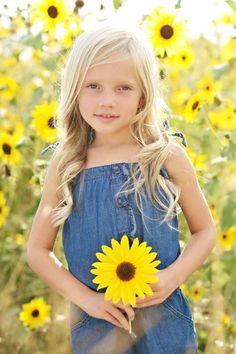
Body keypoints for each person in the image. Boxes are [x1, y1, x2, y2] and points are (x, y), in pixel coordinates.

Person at [27, 21, 217, 354]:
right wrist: (86, 300)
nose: (107, 101)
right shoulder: (67, 162)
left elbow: (205, 232)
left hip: (164, 318)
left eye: (123, 88)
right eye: (94, 86)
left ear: (144, 93)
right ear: (74, 89)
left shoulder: (167, 156)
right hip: (97, 321)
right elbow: (38, 252)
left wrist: (172, 278)